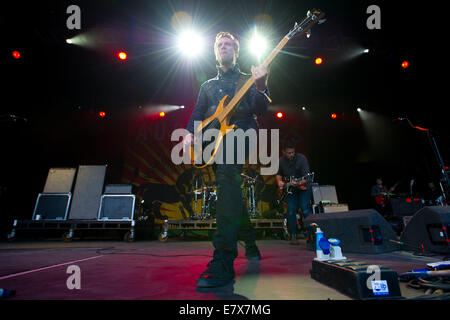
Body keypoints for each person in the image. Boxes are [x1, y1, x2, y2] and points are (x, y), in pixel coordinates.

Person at [183, 31, 270, 288]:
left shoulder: (247, 79)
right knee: (229, 184)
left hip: (241, 131)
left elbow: (260, 108)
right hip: (214, 139)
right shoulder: (207, 85)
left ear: (236, 50)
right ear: (215, 51)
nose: (224, 47)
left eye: (228, 44)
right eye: (220, 44)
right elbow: (199, 111)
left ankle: (223, 259)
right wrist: (190, 133)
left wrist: (261, 85)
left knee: (226, 180)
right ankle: (251, 245)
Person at [275, 141, 312, 245]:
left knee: (304, 209)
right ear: (283, 152)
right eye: (289, 153)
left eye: (293, 152)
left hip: (304, 188)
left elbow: (308, 177)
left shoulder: (302, 159)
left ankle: (312, 234)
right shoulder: (281, 161)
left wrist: (299, 183)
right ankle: (293, 235)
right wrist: (279, 182)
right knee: (291, 211)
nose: (291, 155)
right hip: (291, 189)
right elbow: (278, 174)